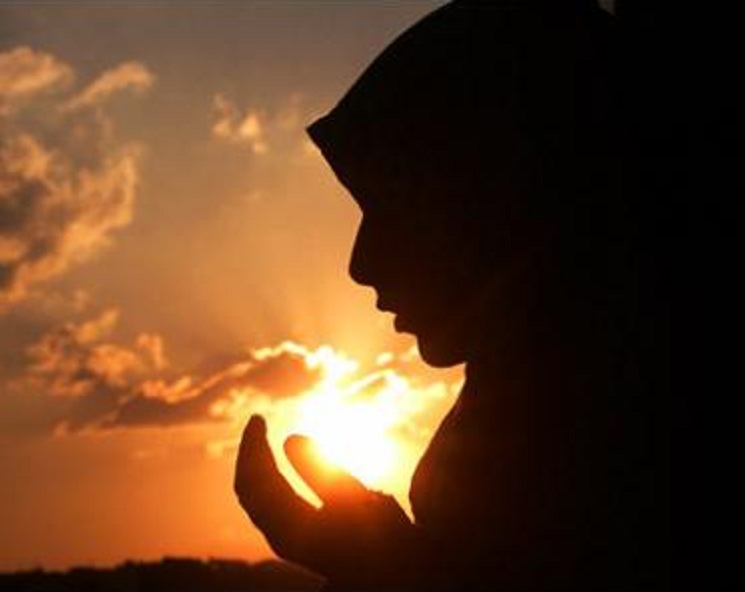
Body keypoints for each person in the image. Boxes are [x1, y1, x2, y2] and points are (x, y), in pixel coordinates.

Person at [234, 1, 671, 589]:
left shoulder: (613, 448)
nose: (361, 265)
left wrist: (391, 569)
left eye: (393, 211)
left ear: (499, 204)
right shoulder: (568, 418)